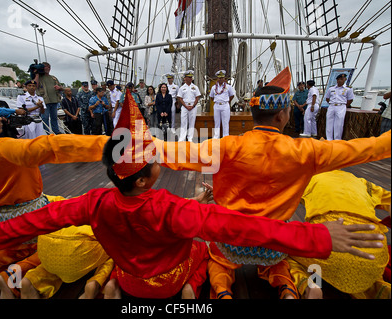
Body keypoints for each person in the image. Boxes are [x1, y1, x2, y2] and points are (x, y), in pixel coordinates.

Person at [0, 89, 384, 300]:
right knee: (237, 255)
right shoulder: (178, 210)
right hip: (256, 248)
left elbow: (38, 219)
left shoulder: (92, 202)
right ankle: (284, 289)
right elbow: (236, 224)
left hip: (141, 277)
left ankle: (109, 284)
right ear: (287, 112)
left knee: (73, 246)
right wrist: (320, 239)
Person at [153, 67, 391, 299]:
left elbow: (169, 152)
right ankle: (286, 288)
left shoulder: (225, 147)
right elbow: (370, 148)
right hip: (275, 242)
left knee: (217, 262)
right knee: (281, 265)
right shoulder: (306, 150)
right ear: (282, 115)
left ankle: (223, 291)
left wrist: (117, 143)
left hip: (232, 240)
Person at [0, 76, 109, 298]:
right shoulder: (1, 149)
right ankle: (12, 281)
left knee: (11, 250)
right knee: (54, 247)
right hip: (28, 213)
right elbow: (53, 146)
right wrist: (112, 145)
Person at [287, 170, 390, 299]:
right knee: (366, 268)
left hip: (332, 248)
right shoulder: (362, 183)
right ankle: (380, 288)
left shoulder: (310, 178)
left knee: (284, 246)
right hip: (375, 249)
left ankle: (309, 286)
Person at [35, 62, 63, 135]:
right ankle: (46, 132)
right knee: (45, 117)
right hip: (44, 101)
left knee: (54, 117)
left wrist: (59, 88)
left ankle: (56, 131)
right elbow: (35, 85)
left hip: (54, 100)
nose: (46, 68)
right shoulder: (39, 78)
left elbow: (61, 88)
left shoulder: (53, 78)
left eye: (48, 67)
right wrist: (37, 73)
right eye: (44, 67)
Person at [324, 73, 354, 140]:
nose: (340, 80)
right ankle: (329, 139)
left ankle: (337, 139)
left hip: (341, 106)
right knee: (329, 123)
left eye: (342, 79)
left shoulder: (348, 89)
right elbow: (327, 98)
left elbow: (350, 99)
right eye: (338, 79)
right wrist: (332, 103)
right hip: (331, 106)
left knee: (339, 124)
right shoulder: (331, 88)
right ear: (336, 80)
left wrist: (344, 105)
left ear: (345, 80)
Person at [209, 70, 235, 139]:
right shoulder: (213, 87)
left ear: (224, 78)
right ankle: (216, 136)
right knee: (216, 122)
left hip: (225, 105)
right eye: (219, 78)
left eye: (222, 78)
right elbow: (211, 97)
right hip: (217, 105)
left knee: (225, 122)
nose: (221, 79)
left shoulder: (228, 87)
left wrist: (227, 102)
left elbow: (232, 95)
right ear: (217, 78)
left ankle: (225, 137)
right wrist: (217, 101)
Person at [177, 70, 202, 142]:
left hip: (193, 107)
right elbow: (180, 98)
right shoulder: (182, 88)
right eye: (189, 77)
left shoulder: (195, 87)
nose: (191, 78)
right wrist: (185, 106)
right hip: (185, 107)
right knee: (183, 122)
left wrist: (193, 105)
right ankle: (182, 138)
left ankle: (190, 138)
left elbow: (197, 97)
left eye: (191, 77)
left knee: (192, 122)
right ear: (185, 78)